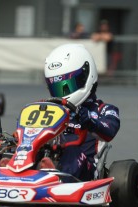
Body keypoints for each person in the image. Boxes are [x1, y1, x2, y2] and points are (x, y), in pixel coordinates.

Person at [43, 43, 120, 181]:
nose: (62, 94)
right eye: (56, 88)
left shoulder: (104, 110)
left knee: (72, 151)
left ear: (85, 77)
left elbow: (110, 131)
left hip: (87, 172)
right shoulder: (49, 109)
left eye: (66, 87)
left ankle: (54, 175)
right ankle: (11, 169)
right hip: (51, 157)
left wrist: (89, 121)